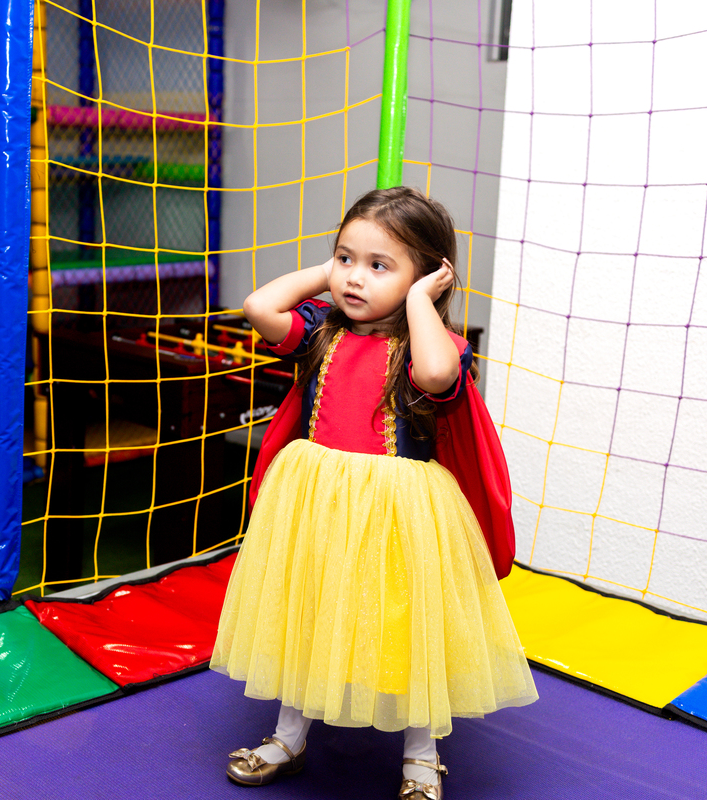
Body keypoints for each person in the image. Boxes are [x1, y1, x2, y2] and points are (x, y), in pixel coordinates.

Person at [211, 187, 538, 799]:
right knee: (306, 614)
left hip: (397, 513)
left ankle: (421, 756)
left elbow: (437, 375)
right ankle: (289, 737)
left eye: (379, 265)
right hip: (317, 502)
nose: (355, 277)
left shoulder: (430, 346)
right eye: (346, 258)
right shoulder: (320, 332)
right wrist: (331, 272)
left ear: (429, 278)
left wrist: (417, 301)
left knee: (403, 632)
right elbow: (259, 306)